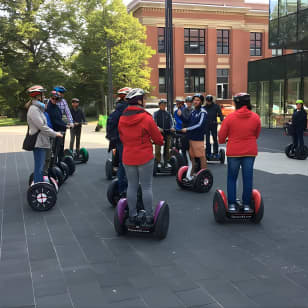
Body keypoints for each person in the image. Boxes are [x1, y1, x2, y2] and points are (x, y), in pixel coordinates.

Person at [118, 88, 163, 226]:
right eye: (144, 98)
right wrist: (159, 140)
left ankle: (132, 215)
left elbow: (122, 137)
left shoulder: (122, 118)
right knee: (146, 187)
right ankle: (149, 216)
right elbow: (158, 139)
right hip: (144, 157)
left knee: (131, 186)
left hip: (128, 156)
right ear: (139, 101)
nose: (145, 101)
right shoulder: (146, 118)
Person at [218, 93, 261, 213]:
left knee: (232, 178)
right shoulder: (255, 117)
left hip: (234, 152)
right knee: (248, 179)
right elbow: (256, 135)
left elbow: (221, 138)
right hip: (250, 152)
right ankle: (247, 205)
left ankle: (231, 205)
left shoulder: (230, 118)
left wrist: (225, 139)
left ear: (237, 103)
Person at [26, 85, 62, 183]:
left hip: (42, 141)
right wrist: (55, 134)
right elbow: (42, 127)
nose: (44, 96)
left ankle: (40, 184)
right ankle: (39, 187)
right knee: (39, 167)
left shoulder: (38, 109)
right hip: (38, 142)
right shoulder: (34, 109)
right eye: (43, 94)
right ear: (38, 96)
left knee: (41, 167)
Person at [106, 87, 131, 197]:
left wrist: (113, 138)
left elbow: (110, 123)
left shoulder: (119, 108)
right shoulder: (125, 108)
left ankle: (123, 189)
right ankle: (125, 189)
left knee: (123, 163)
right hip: (125, 140)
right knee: (126, 164)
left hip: (120, 140)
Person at [180, 94, 207, 179]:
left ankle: (204, 175)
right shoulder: (193, 111)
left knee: (201, 156)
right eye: (194, 100)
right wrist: (181, 115)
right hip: (191, 137)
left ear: (201, 102)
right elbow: (188, 121)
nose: (195, 102)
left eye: (197, 100)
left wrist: (187, 129)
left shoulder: (202, 112)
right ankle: (192, 174)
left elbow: (199, 125)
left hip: (198, 138)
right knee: (192, 157)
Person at [46, 90, 68, 162]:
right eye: (53, 98)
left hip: (60, 131)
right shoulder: (48, 108)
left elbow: (59, 118)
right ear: (50, 98)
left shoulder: (56, 107)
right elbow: (54, 120)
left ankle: (59, 163)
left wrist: (65, 124)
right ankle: (52, 165)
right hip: (53, 132)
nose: (55, 100)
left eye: (57, 99)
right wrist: (65, 125)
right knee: (54, 151)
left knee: (59, 149)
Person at [153, 99, 174, 168]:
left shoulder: (168, 113)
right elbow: (153, 122)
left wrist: (172, 127)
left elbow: (172, 122)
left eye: (165, 104)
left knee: (167, 148)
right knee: (158, 148)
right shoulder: (156, 113)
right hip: (159, 133)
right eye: (162, 104)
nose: (163, 106)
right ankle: (158, 162)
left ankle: (166, 162)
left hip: (167, 132)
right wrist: (157, 127)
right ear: (159, 105)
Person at [204, 95, 224, 159]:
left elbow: (220, 114)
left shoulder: (216, 107)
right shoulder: (204, 108)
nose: (208, 102)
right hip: (206, 125)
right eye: (207, 101)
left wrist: (222, 120)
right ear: (206, 101)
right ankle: (208, 153)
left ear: (211, 101)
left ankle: (216, 153)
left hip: (214, 124)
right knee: (207, 139)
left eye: (209, 101)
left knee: (215, 138)